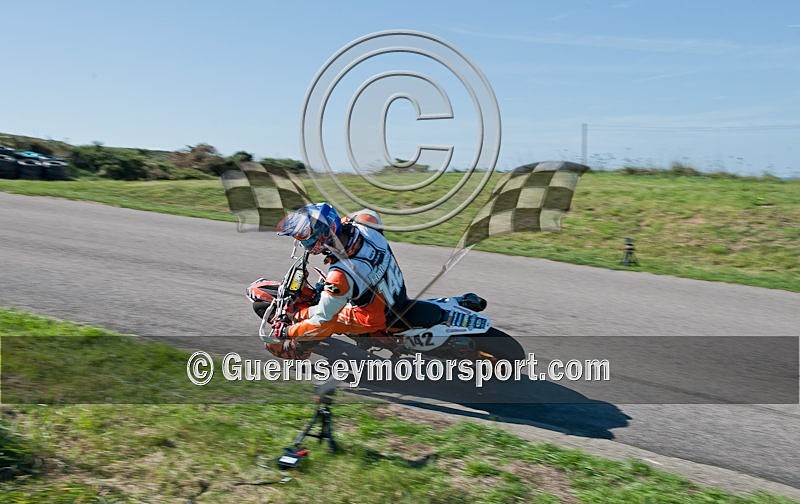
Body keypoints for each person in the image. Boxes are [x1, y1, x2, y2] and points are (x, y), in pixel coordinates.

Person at [265, 203, 409, 359]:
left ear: (323, 235)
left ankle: (298, 350)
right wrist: (340, 224)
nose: (303, 244)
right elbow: (370, 212)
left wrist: (286, 331)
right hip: (393, 294)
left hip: (372, 316)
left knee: (317, 319)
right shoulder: (367, 224)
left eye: (305, 238)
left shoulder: (340, 275)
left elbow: (322, 319)